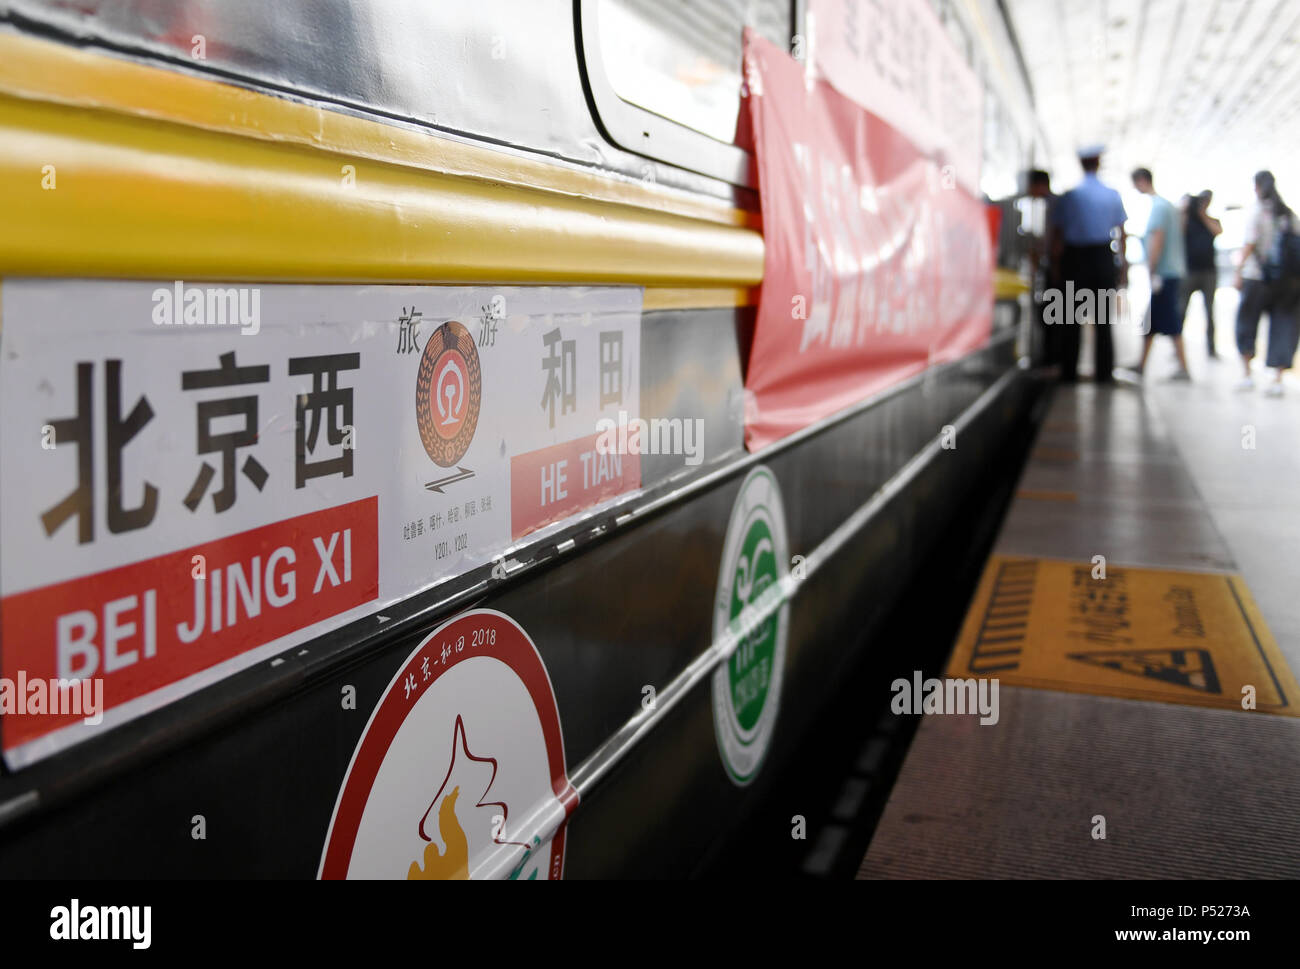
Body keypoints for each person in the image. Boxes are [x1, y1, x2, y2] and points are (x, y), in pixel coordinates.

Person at [1049, 146, 1128, 383]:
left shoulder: (1070, 195)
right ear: (1098, 164)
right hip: (1102, 257)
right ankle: (1104, 374)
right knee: (1103, 320)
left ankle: (1069, 372)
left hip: (1075, 259)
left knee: (1070, 318)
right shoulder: (1112, 194)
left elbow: (1057, 236)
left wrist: (1055, 267)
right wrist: (1122, 266)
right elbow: (1121, 233)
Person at [1235, 171, 1299, 396]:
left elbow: (1250, 243)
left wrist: (1238, 272)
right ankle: (1277, 379)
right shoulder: (1288, 214)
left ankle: (1247, 375)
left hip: (1257, 278)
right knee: (1284, 325)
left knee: (1247, 324)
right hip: (1287, 282)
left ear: (1257, 187)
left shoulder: (1257, 211)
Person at [1130, 168, 1190, 380]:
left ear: (1142, 181)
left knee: (1171, 321)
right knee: (1152, 321)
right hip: (1171, 272)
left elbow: (1158, 239)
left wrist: (1151, 269)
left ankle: (1183, 368)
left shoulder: (1159, 208)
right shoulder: (1169, 207)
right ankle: (1141, 365)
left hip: (1164, 274)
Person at [1025, 169, 1061, 369]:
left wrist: (1052, 266)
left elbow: (1055, 239)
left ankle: (1052, 360)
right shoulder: (1045, 205)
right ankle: (1049, 358)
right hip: (1050, 266)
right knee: (1048, 314)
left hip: (1056, 269)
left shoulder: (1054, 205)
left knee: (1051, 315)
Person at [1180, 190, 1223, 357]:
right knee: (1181, 310)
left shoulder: (1210, 219)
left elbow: (1218, 231)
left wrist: (1203, 214)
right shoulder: (1186, 220)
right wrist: (1185, 211)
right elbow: (1179, 233)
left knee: (1210, 312)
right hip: (1190, 271)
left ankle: (1211, 348)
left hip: (1208, 272)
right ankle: (1178, 348)